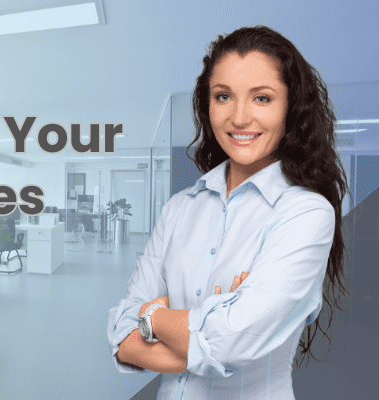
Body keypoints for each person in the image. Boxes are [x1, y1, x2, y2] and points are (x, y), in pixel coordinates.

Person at [107, 25, 349, 399]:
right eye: (223, 96)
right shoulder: (179, 208)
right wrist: (207, 324)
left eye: (262, 98)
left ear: (291, 107)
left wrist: (152, 317)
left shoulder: (305, 214)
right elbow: (121, 336)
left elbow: (229, 344)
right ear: (208, 106)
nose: (238, 117)